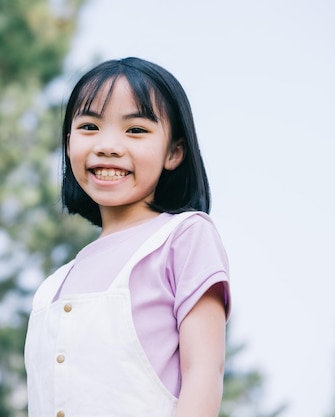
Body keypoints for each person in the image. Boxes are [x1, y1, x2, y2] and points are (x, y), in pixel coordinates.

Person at [24, 57, 231, 417]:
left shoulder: (183, 237)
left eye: (135, 130)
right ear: (69, 142)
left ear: (174, 152)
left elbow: (203, 371)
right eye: (89, 126)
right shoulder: (52, 287)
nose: (108, 145)